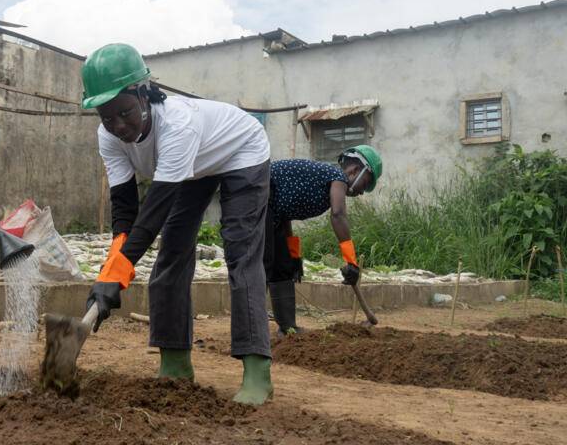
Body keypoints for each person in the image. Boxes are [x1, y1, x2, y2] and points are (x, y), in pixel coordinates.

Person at [81, 43, 274, 405]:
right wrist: (111, 270)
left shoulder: (177, 123)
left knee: (240, 252)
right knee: (171, 252)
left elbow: (153, 212)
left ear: (142, 93)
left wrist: (116, 274)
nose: (119, 126)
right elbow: (125, 211)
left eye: (125, 113)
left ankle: (257, 372)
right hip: (192, 166)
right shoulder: (108, 137)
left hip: (240, 151)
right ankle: (175, 365)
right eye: (108, 118)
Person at [263, 147, 382, 336]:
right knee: (263, 264)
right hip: (259, 194)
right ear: (354, 172)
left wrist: (294, 255)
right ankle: (253, 333)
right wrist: (350, 261)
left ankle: (287, 329)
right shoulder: (337, 178)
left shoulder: (326, 180)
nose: (361, 193)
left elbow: (286, 213)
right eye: (365, 184)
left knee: (283, 265)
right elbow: (338, 215)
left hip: (273, 210)